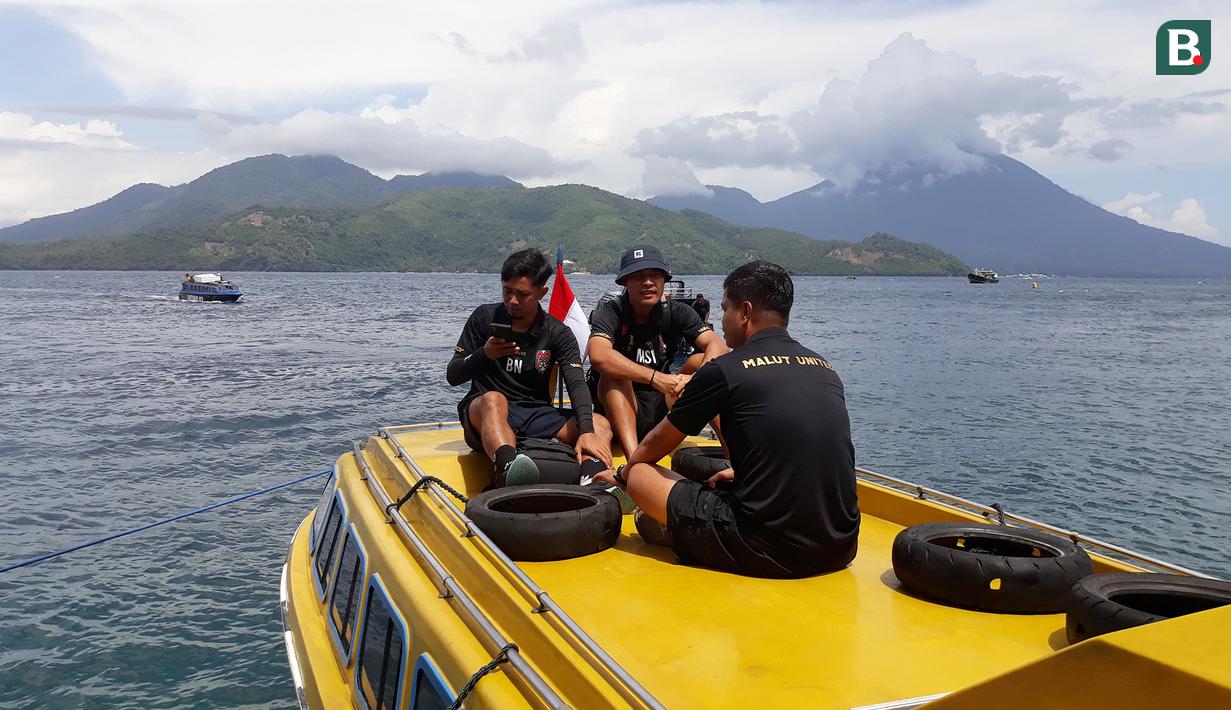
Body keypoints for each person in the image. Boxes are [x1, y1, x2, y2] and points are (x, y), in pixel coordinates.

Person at [600, 261, 860, 578]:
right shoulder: (825, 368)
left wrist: (624, 474)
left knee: (641, 474)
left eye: (725, 309)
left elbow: (654, 445)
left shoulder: (726, 370)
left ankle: (679, 530)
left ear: (745, 312)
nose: (721, 321)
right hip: (841, 545)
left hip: (766, 548)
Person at [448, 248, 613, 487]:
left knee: (599, 423)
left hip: (536, 414)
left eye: (522, 294)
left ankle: (594, 478)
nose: (512, 301)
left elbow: (576, 382)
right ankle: (508, 470)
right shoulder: (484, 317)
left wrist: (586, 430)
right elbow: (453, 375)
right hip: (487, 414)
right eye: (507, 291)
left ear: (541, 292)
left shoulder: (557, 332)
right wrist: (484, 354)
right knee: (494, 399)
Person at [587, 245, 728, 458]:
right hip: (620, 408)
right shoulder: (611, 312)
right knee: (613, 375)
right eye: (638, 276)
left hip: (661, 406)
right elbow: (598, 354)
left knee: (703, 364)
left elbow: (717, 345)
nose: (648, 282)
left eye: (654, 275)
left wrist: (696, 380)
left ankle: (732, 457)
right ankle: (634, 461)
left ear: (664, 279)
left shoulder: (676, 311)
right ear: (625, 282)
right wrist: (656, 378)